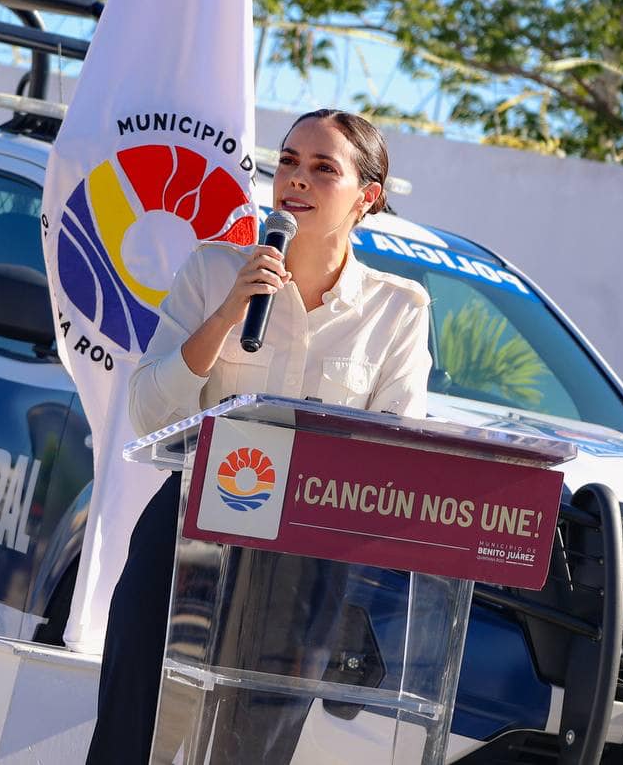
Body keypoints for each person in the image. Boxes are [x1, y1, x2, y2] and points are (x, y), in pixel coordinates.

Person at [85, 108, 433, 764]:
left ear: (367, 197)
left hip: (306, 556)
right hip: (190, 528)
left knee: (250, 749)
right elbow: (149, 413)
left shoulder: (397, 310)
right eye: (289, 161)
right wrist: (227, 314)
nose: (296, 179)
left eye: (323, 168)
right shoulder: (214, 271)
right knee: (133, 731)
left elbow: (395, 454)